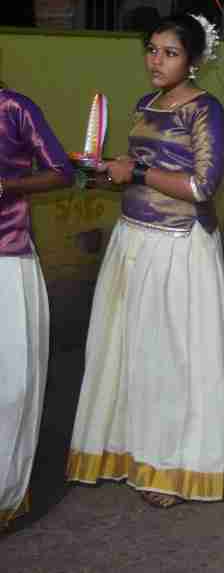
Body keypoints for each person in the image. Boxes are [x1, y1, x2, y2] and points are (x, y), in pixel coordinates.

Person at [68, 14, 224, 507]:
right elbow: (137, 173)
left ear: (193, 61)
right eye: (152, 50)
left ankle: (177, 465)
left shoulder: (206, 111)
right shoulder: (145, 104)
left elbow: (202, 185)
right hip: (133, 241)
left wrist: (136, 172)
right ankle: (135, 452)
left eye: (169, 53)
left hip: (179, 245)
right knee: (132, 351)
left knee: (174, 356)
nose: (156, 60)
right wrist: (100, 174)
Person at [0, 86, 73, 528]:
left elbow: (61, 171)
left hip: (7, 258)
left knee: (12, 385)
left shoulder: (14, 108)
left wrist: (6, 185)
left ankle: (5, 493)